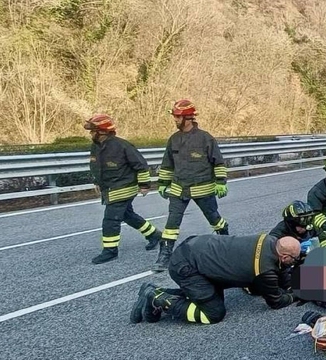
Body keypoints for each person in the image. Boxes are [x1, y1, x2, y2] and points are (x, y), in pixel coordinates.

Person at [131, 233, 301, 325]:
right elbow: (276, 302)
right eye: (293, 259)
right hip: (187, 266)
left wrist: (291, 285)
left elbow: (281, 274)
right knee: (213, 313)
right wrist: (296, 295)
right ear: (284, 256)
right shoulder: (264, 269)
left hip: (198, 249)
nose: (293, 263)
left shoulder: (270, 240)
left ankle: (155, 291)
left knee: (206, 296)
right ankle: (158, 299)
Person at [153, 99, 229, 272]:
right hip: (179, 188)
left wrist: (220, 183)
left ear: (188, 118)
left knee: (214, 219)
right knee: (172, 222)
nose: (175, 120)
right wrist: (163, 183)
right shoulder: (173, 139)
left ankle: (225, 238)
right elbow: (167, 164)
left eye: (178, 117)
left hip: (203, 188)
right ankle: (164, 255)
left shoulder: (205, 138)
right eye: (175, 116)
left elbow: (218, 162)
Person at [84, 114, 162, 264]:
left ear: (102, 131)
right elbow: (95, 166)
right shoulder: (96, 146)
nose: (91, 134)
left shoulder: (122, 146)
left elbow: (141, 165)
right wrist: (96, 181)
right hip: (109, 188)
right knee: (127, 215)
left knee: (110, 220)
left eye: (93, 131)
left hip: (123, 187)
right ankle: (154, 235)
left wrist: (144, 185)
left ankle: (110, 251)